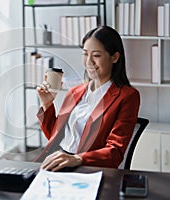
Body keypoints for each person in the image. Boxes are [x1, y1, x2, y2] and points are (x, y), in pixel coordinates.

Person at [36, 26, 140, 171]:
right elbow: (55, 138)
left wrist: (78, 159)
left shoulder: (127, 96)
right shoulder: (75, 92)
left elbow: (115, 152)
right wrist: (47, 104)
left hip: (87, 168)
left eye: (96, 55)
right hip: (57, 162)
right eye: (85, 54)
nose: (89, 62)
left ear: (114, 57)